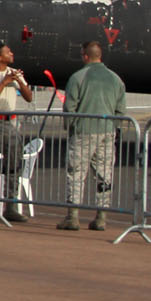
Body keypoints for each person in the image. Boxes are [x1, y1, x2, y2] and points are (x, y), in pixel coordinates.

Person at [58, 40, 126, 231]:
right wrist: (114, 128)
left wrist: (70, 128)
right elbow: (121, 110)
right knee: (105, 175)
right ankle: (101, 217)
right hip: (107, 131)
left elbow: (70, 107)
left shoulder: (78, 77)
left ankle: (73, 216)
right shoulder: (115, 79)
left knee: (76, 173)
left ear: (85, 56)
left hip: (83, 131)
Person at [0, 41, 33, 223]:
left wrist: (18, 81)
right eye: (8, 52)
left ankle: (11, 206)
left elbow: (28, 96)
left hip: (11, 123)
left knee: (14, 165)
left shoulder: (14, 73)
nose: (12, 54)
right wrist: (4, 82)